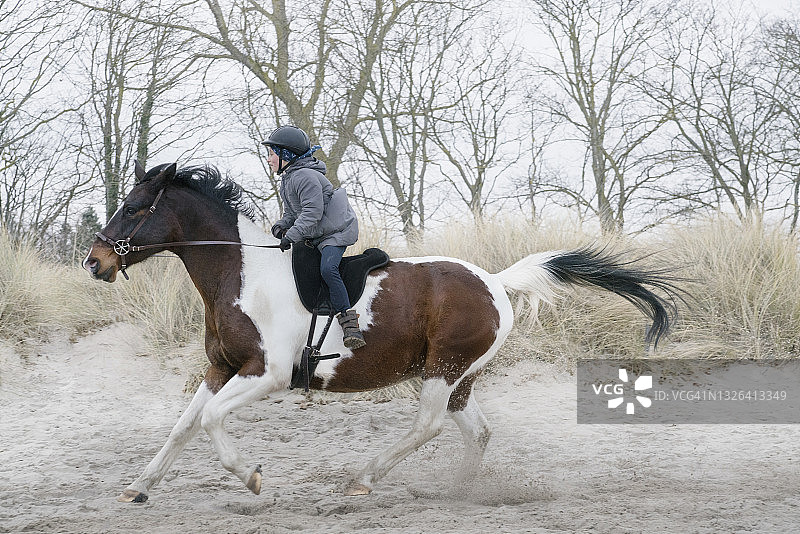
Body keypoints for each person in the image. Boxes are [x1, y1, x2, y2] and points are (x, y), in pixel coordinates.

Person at [263, 125, 366, 350]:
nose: (269, 159)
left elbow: (312, 214)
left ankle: (349, 324)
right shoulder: (288, 179)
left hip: (335, 234)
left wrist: (291, 236)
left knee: (328, 269)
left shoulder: (305, 177)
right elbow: (292, 214)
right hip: (317, 233)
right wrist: (280, 227)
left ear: (286, 155)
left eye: (272, 154)